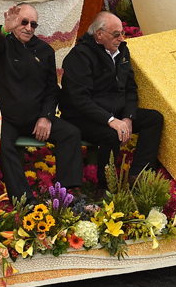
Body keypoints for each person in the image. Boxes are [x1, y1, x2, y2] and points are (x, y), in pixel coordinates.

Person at [0, 3, 83, 203]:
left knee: (71, 133)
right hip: (6, 117)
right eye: (24, 22)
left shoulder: (44, 50)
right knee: (2, 142)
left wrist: (45, 117)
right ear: (13, 23)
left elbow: (51, 89)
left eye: (33, 24)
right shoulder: (1, 43)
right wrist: (4, 30)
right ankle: (24, 200)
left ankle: (67, 194)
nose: (29, 28)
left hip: (35, 118)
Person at [59, 12, 165, 190]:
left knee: (154, 119)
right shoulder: (80, 56)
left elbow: (130, 88)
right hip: (82, 117)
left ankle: (138, 176)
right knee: (111, 134)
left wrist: (128, 118)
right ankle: (105, 187)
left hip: (115, 112)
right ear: (99, 35)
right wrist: (110, 120)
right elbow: (80, 99)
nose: (121, 39)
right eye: (116, 34)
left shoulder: (122, 51)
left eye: (122, 33)